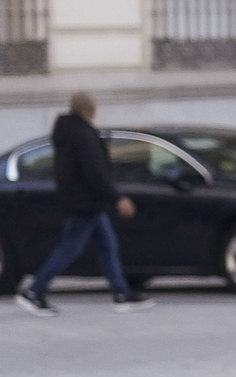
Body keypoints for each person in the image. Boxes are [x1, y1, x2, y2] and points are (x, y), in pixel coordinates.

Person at [17, 91, 152, 316]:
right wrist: (116, 198)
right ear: (90, 109)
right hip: (86, 202)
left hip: (82, 200)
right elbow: (95, 171)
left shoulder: (68, 132)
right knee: (70, 248)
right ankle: (34, 291)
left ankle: (121, 293)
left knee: (107, 246)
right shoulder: (82, 135)